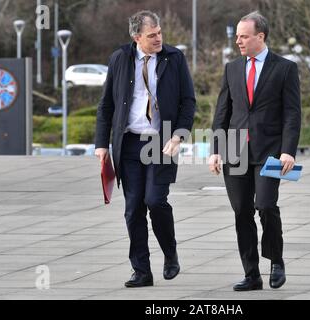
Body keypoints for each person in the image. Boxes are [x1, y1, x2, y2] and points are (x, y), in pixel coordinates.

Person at [95, 10, 196, 288]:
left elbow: (188, 102)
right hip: (128, 144)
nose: (158, 38)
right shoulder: (120, 59)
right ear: (136, 37)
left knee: (155, 201)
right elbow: (106, 106)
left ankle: (170, 252)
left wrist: (179, 135)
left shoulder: (174, 58)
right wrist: (101, 144)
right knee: (133, 209)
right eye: (152, 35)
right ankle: (141, 270)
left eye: (160, 32)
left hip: (160, 142)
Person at [209, 11, 301, 291]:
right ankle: (251, 274)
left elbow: (292, 114)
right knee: (241, 212)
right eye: (237, 36)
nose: (238, 40)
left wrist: (288, 150)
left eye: (244, 36)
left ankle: (276, 260)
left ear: (260, 36)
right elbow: (222, 113)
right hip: (235, 152)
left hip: (270, 152)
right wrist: (215, 150)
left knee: (265, 205)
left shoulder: (285, 68)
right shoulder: (232, 68)